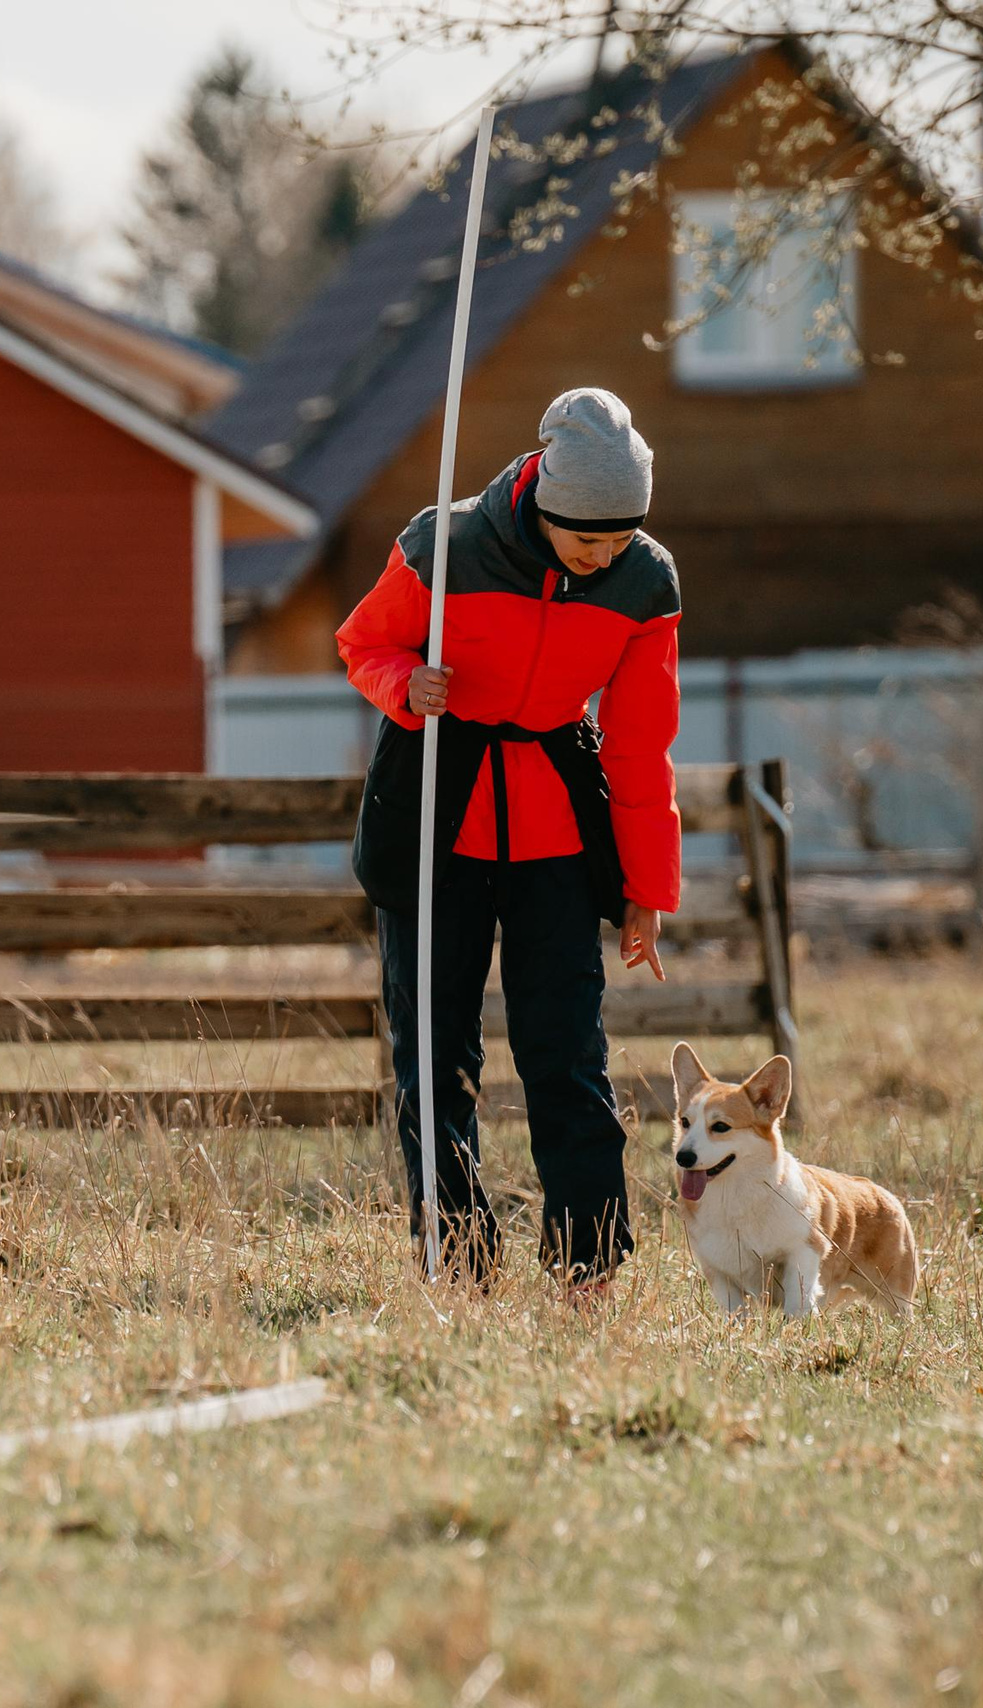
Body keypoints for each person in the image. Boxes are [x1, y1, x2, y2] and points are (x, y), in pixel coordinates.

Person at [339, 387, 680, 1288]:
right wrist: (406, 684)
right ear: (545, 503)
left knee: (567, 1053)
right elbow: (362, 643)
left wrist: (646, 890)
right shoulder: (442, 544)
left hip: (558, 833)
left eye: (619, 540)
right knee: (434, 1051)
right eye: (586, 541)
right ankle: (458, 1258)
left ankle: (589, 1267)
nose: (603, 556)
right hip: (435, 818)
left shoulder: (645, 582)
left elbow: (643, 747)